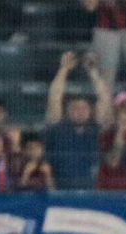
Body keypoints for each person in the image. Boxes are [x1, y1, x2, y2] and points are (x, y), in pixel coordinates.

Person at [45, 50, 113, 190]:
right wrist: (64, 69)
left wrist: (93, 72)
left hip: (92, 193)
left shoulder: (95, 129)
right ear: (67, 111)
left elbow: (105, 99)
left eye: (84, 108)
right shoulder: (58, 128)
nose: (80, 112)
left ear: (90, 111)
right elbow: (55, 97)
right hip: (61, 192)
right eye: (75, 108)